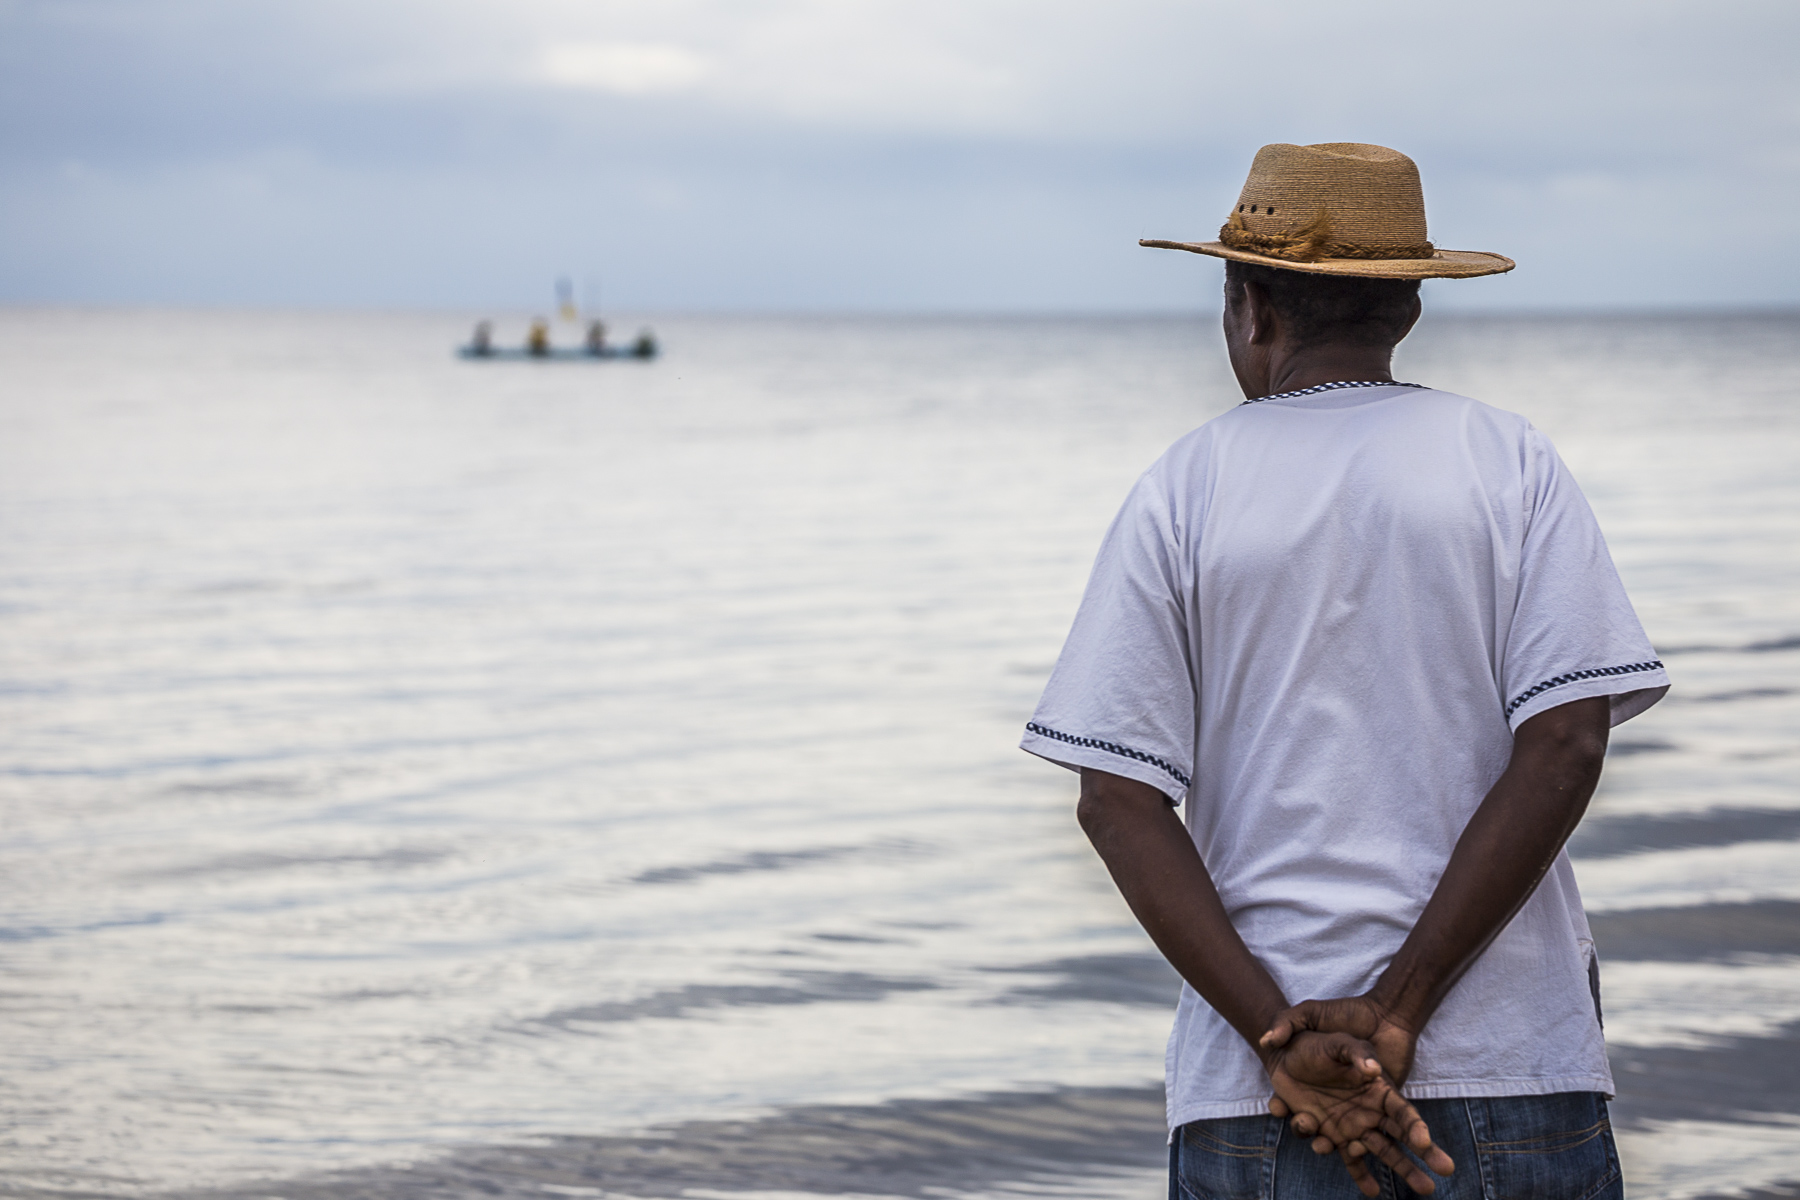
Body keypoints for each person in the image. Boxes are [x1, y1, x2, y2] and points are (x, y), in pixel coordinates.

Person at [1020, 143, 1668, 1199]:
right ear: (1407, 306)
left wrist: (1275, 1037)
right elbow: (1566, 741)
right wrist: (1401, 1011)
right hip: (1516, 1071)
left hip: (1261, 1101)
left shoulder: (1183, 489)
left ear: (1248, 307)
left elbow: (1117, 800)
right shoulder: (1508, 460)